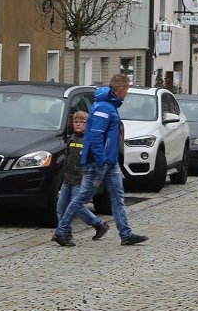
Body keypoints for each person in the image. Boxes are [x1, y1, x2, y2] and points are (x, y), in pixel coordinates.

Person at [55, 73, 148, 247]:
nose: (127, 93)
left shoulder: (107, 105)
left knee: (117, 197)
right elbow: (96, 136)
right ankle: (61, 231)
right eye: (127, 89)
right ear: (121, 89)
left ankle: (126, 234)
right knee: (82, 197)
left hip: (108, 162)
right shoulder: (105, 108)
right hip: (99, 162)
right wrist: (100, 160)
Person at [56, 111, 109, 241]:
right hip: (68, 179)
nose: (78, 124)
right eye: (76, 122)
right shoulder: (72, 138)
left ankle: (99, 224)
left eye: (82, 122)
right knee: (61, 206)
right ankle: (66, 232)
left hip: (81, 180)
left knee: (77, 207)